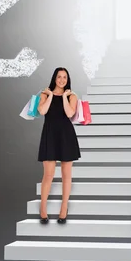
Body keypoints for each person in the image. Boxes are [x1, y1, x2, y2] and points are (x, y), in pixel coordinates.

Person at [36, 67, 81, 224]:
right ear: (54, 78)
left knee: (66, 175)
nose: (62, 80)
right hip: (49, 136)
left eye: (65, 77)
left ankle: (63, 208)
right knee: (48, 175)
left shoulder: (72, 96)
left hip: (66, 136)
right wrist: (49, 96)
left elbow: (69, 114)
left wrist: (63, 97)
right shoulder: (44, 94)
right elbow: (42, 111)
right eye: (59, 77)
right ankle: (43, 209)